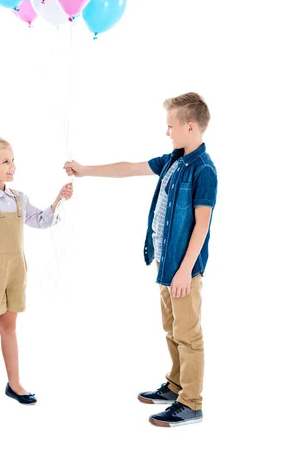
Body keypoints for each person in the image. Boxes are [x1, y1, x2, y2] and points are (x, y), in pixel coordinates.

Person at [64, 93, 217, 427]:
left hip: (183, 270)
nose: (167, 132)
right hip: (166, 266)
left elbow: (202, 224)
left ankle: (191, 403)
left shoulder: (204, 170)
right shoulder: (174, 160)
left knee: (188, 335)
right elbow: (130, 168)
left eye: (171, 126)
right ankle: (176, 384)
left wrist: (185, 271)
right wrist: (86, 170)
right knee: (172, 328)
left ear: (189, 127)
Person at [0, 135, 73, 406]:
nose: (12, 165)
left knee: (9, 326)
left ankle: (14, 383)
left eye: (12, 160)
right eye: (5, 161)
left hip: (16, 270)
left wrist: (59, 198)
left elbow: (40, 220)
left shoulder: (17, 198)